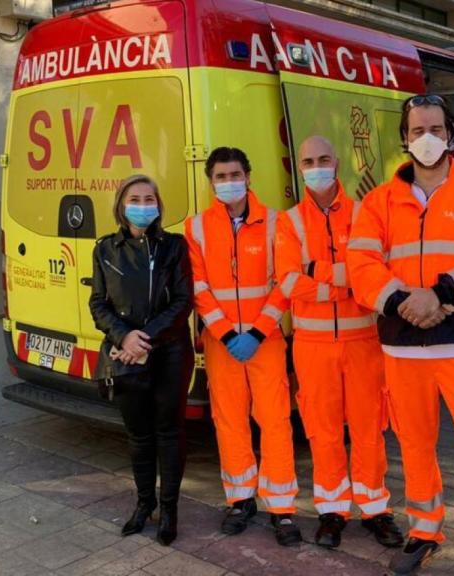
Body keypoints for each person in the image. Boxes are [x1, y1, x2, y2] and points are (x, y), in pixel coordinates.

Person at [347, 94, 454, 576]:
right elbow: (360, 265)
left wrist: (439, 294)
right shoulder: (379, 201)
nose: (427, 139)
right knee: (415, 449)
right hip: (403, 348)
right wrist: (405, 301)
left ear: (451, 135)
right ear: (404, 138)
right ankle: (424, 528)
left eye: (437, 130)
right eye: (417, 130)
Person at [274, 136, 403, 550]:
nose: (317, 166)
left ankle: (375, 510)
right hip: (312, 345)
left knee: (369, 430)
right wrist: (342, 281)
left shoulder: (366, 215)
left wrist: (320, 271)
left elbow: (376, 275)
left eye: (324, 158)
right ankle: (332, 512)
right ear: (300, 166)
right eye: (309, 160)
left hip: (364, 341)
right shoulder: (289, 222)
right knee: (323, 432)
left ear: (338, 161)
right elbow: (290, 282)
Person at [184, 147, 300, 546]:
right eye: (220, 176)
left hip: (264, 342)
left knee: (275, 421)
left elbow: (284, 283)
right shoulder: (195, 228)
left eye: (235, 173)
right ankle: (240, 499)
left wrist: (256, 332)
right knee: (229, 422)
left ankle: (282, 508)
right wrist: (229, 334)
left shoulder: (275, 222)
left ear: (249, 177)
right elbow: (197, 288)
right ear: (210, 181)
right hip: (222, 344)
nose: (228, 181)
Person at [89, 174, 194, 545]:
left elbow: (183, 302)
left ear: (158, 205)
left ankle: (169, 510)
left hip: (170, 352)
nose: (143, 205)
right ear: (121, 205)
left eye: (150, 199)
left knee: (169, 431)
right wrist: (123, 336)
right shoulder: (105, 249)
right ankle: (143, 503)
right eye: (136, 198)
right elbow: (98, 304)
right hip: (126, 355)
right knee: (138, 435)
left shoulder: (175, 247)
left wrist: (143, 339)